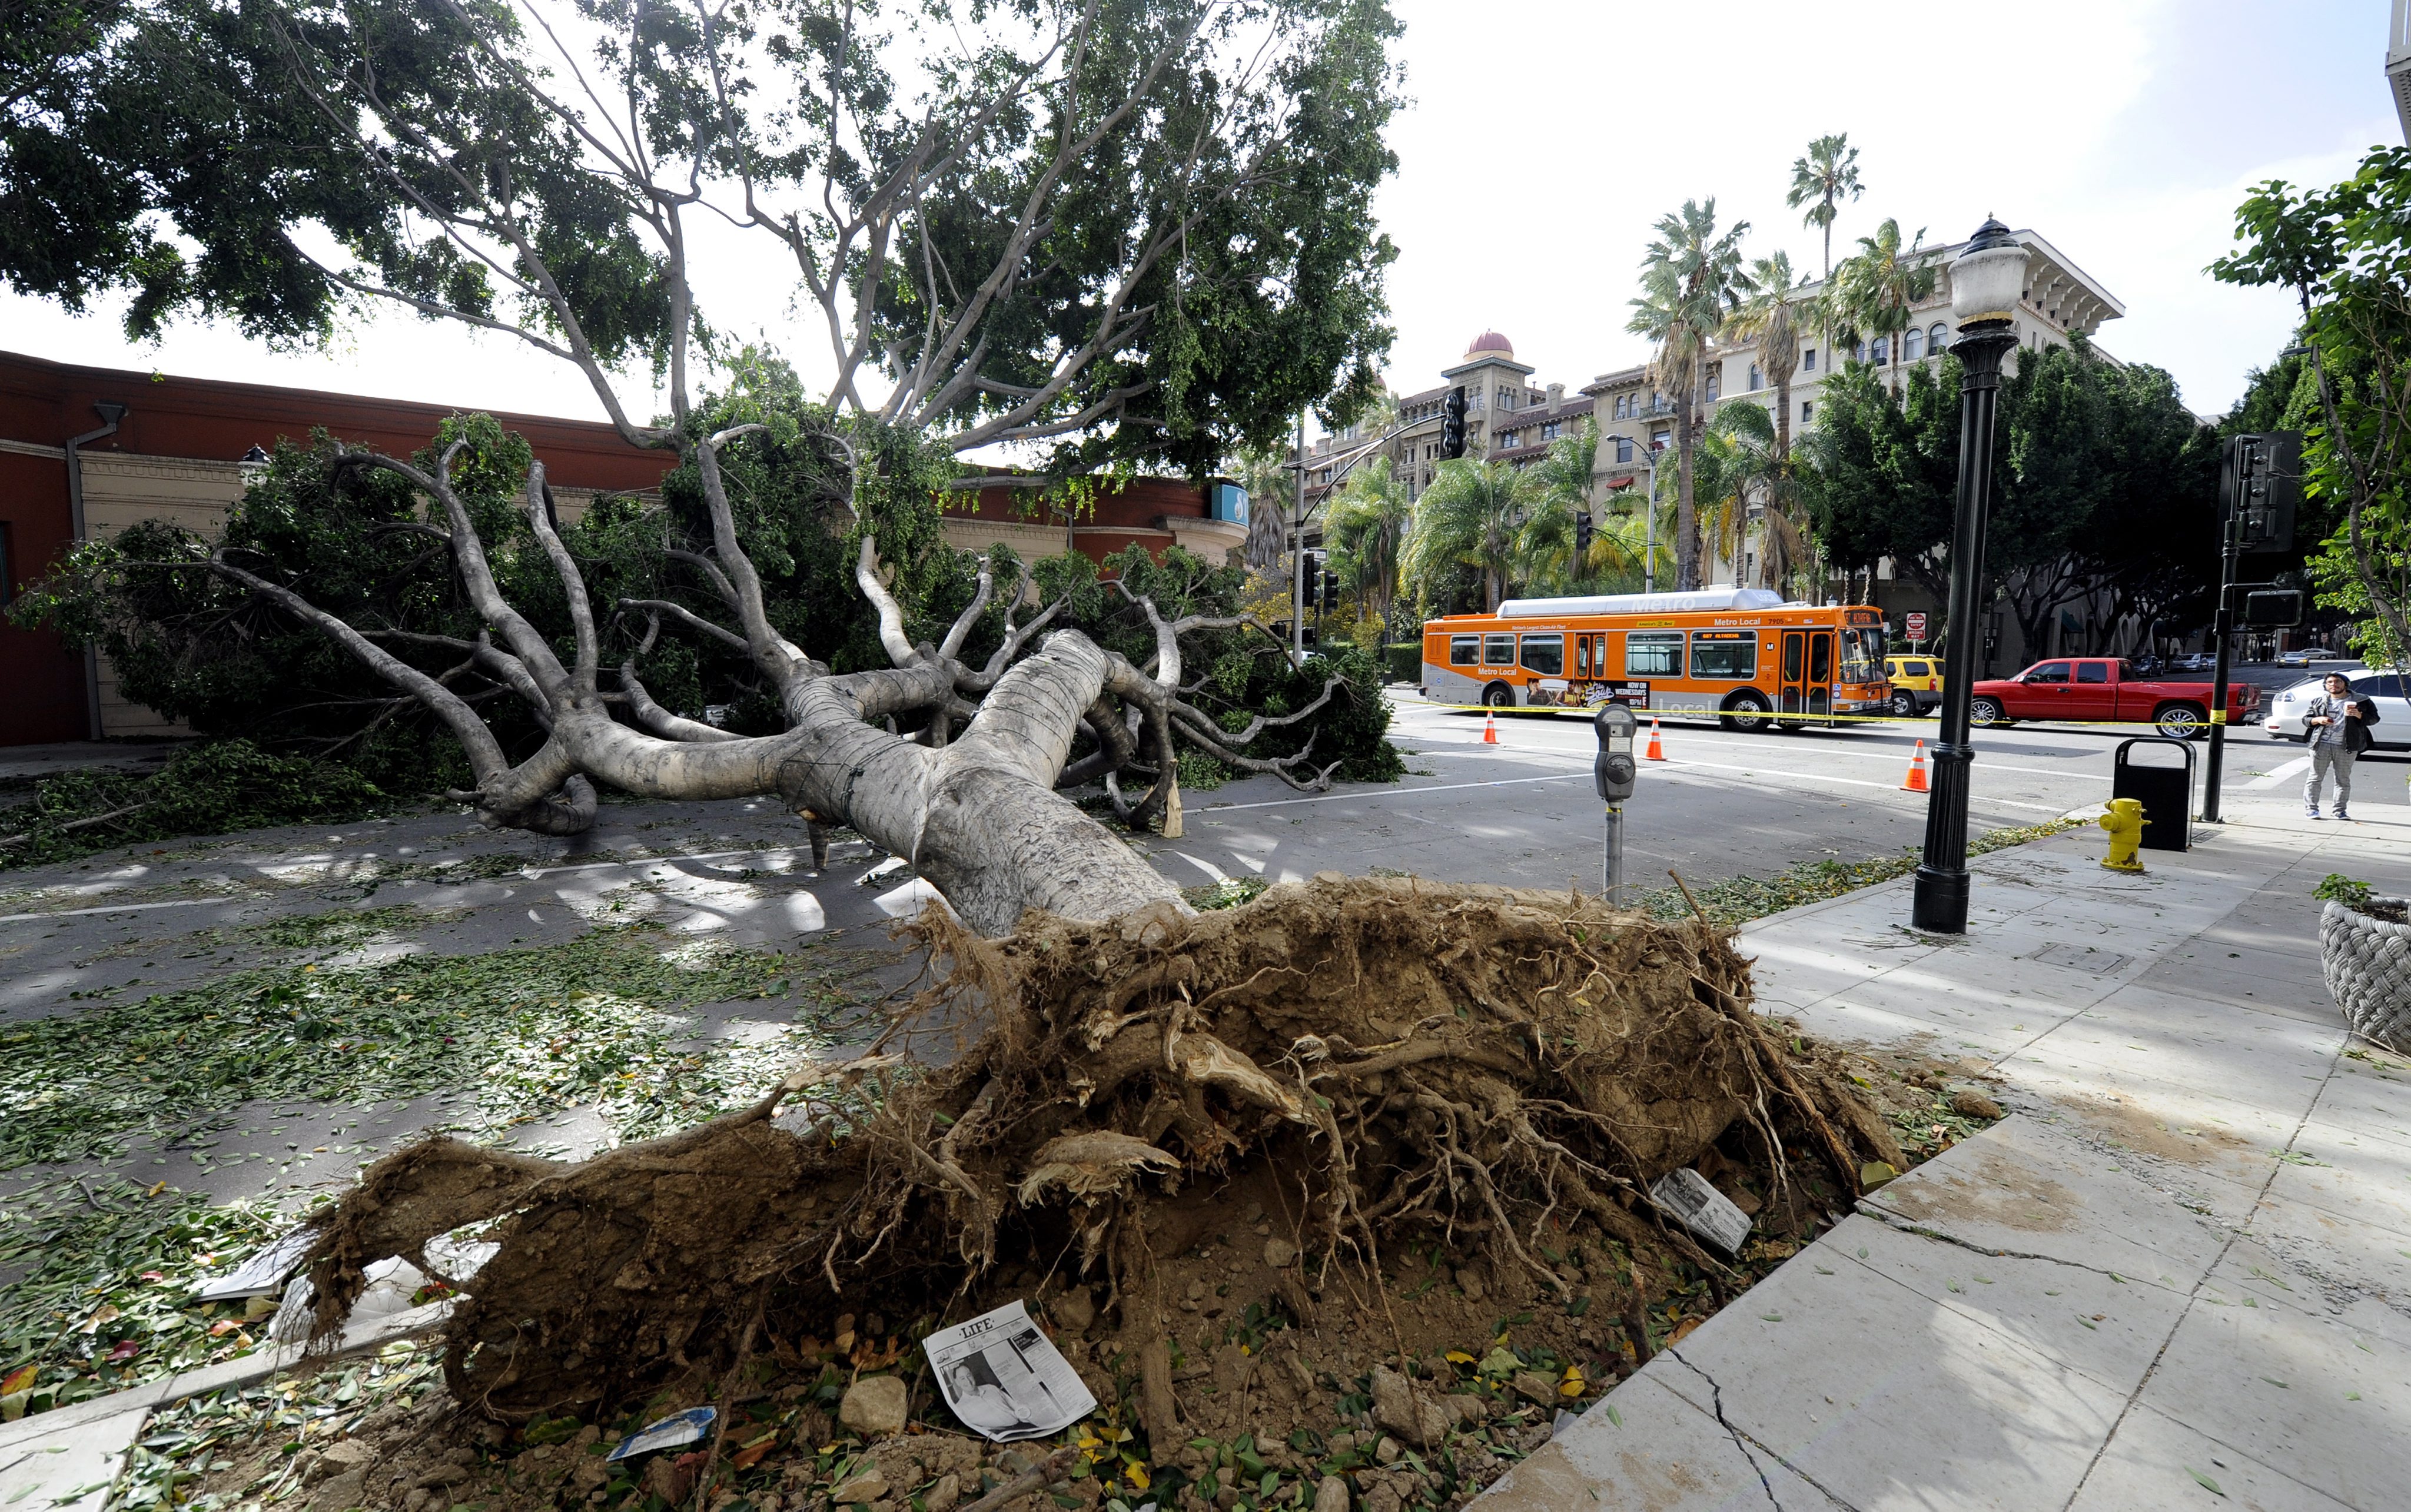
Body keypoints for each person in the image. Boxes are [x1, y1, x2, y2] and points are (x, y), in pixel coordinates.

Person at [2303, 672, 2377, 819]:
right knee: (2315, 778)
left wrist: (2359, 715)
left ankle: (2339, 811)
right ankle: (2311, 809)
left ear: (2345, 684)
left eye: (2337, 682)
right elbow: (2306, 720)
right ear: (2325, 686)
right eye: (2330, 682)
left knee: (2343, 780)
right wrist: (2318, 720)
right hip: (2321, 744)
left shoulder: (2361, 701)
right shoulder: (2319, 701)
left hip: (2346, 746)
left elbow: (2374, 719)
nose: (2333, 685)